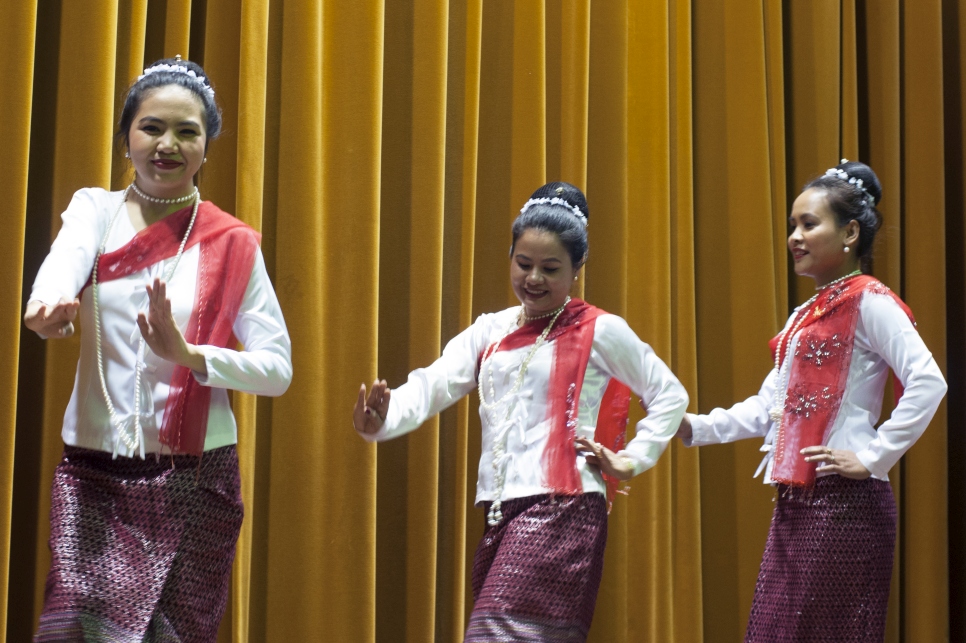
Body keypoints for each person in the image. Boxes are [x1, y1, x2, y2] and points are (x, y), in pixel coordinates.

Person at [24, 57, 292, 642]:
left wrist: (192, 355)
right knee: (76, 630)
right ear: (126, 138)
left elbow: (277, 371)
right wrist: (48, 309)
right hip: (94, 472)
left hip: (198, 479)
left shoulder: (233, 241)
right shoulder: (95, 211)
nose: (167, 144)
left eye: (187, 131)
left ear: (207, 144)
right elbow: (61, 269)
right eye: (151, 128)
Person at [352, 182, 689, 641]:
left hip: (564, 508)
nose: (533, 279)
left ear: (577, 270)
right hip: (499, 510)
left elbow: (669, 394)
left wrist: (629, 459)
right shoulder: (490, 330)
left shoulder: (601, 330)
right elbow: (434, 383)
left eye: (550, 268)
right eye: (523, 263)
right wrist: (382, 419)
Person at [678, 161, 947, 642]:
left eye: (808, 223)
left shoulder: (870, 300)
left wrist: (872, 456)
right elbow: (770, 407)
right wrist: (693, 426)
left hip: (846, 505)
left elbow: (929, 380)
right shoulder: (807, 313)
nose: (795, 236)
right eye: (792, 226)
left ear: (849, 232)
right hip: (799, 500)